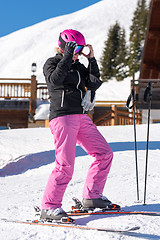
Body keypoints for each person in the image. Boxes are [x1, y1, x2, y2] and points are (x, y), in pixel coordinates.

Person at [41, 29, 114, 222]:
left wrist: (91, 60)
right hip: (63, 117)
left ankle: (92, 197)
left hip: (81, 117)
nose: (78, 52)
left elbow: (95, 82)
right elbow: (55, 79)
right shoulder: (52, 63)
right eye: (75, 47)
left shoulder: (78, 65)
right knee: (65, 165)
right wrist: (66, 57)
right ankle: (49, 207)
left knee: (104, 153)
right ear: (65, 46)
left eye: (80, 48)